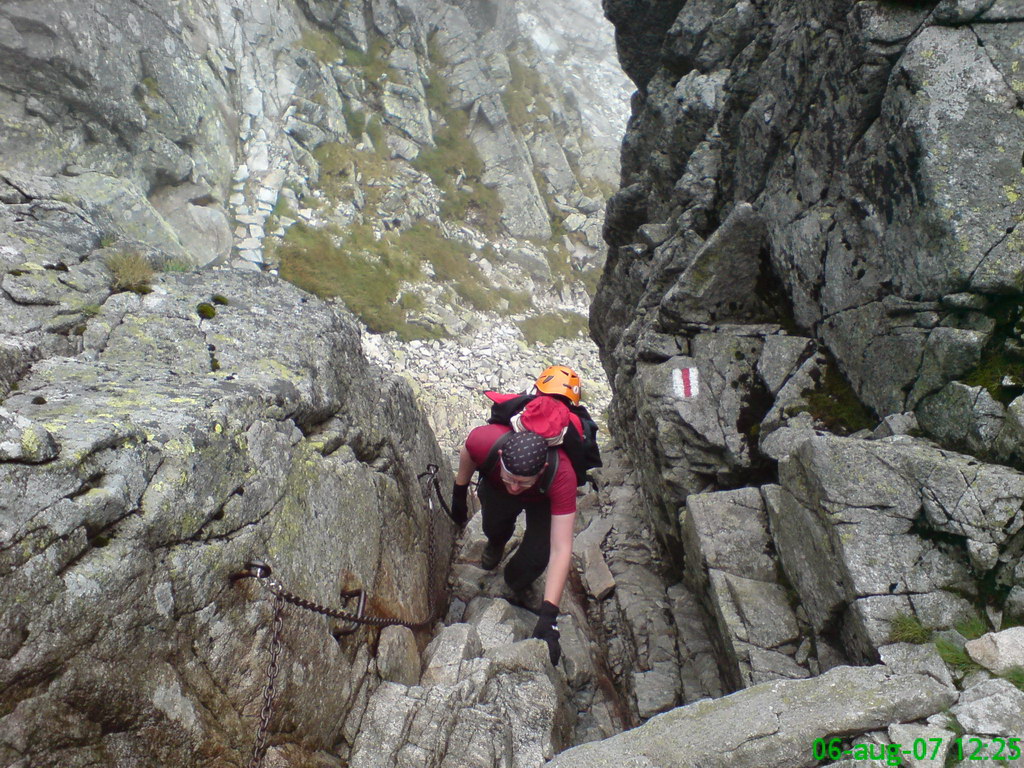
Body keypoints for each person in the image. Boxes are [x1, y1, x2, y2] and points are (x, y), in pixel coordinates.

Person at [449, 417, 578, 667]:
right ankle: (496, 543)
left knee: (535, 560)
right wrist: (459, 493)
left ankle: (515, 580)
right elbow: (468, 450)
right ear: (500, 456)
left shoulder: (562, 475)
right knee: (493, 526)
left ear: (541, 470)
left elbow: (562, 548)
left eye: (523, 482)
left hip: (543, 499)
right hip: (497, 489)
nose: (516, 487)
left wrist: (549, 616)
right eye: (512, 477)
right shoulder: (485, 440)